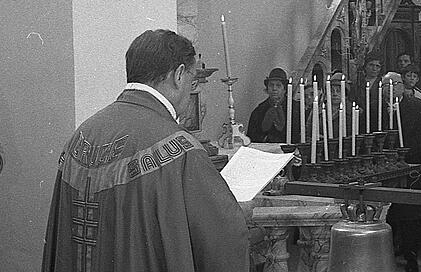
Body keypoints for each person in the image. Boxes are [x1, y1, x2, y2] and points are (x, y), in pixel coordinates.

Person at [42, 30, 250, 271]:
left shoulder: (80, 136)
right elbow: (223, 237)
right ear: (179, 75)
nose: (191, 91)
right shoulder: (179, 148)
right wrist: (239, 213)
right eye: (193, 82)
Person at [380, 71, 421, 272]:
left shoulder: (416, 106)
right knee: (387, 213)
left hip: (411, 167)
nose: (391, 88)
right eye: (386, 85)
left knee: (410, 215)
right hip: (383, 167)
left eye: (396, 84)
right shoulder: (374, 108)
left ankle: (411, 256)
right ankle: (386, 255)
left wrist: (404, 156)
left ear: (403, 86)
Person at [247, 67, 290, 142]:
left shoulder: (295, 108)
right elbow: (251, 137)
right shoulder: (259, 111)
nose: (274, 89)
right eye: (271, 85)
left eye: (278, 85)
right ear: (267, 88)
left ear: (285, 89)